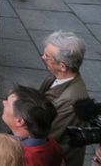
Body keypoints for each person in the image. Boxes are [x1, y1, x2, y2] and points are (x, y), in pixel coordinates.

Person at [38, 31, 88, 166]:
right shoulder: (56, 77)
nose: (43, 57)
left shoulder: (70, 101)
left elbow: (44, 136)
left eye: (47, 56)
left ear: (62, 66)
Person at [1, 85, 64, 165]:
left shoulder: (22, 159)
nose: (3, 102)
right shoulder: (51, 143)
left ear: (20, 121)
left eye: (8, 104)